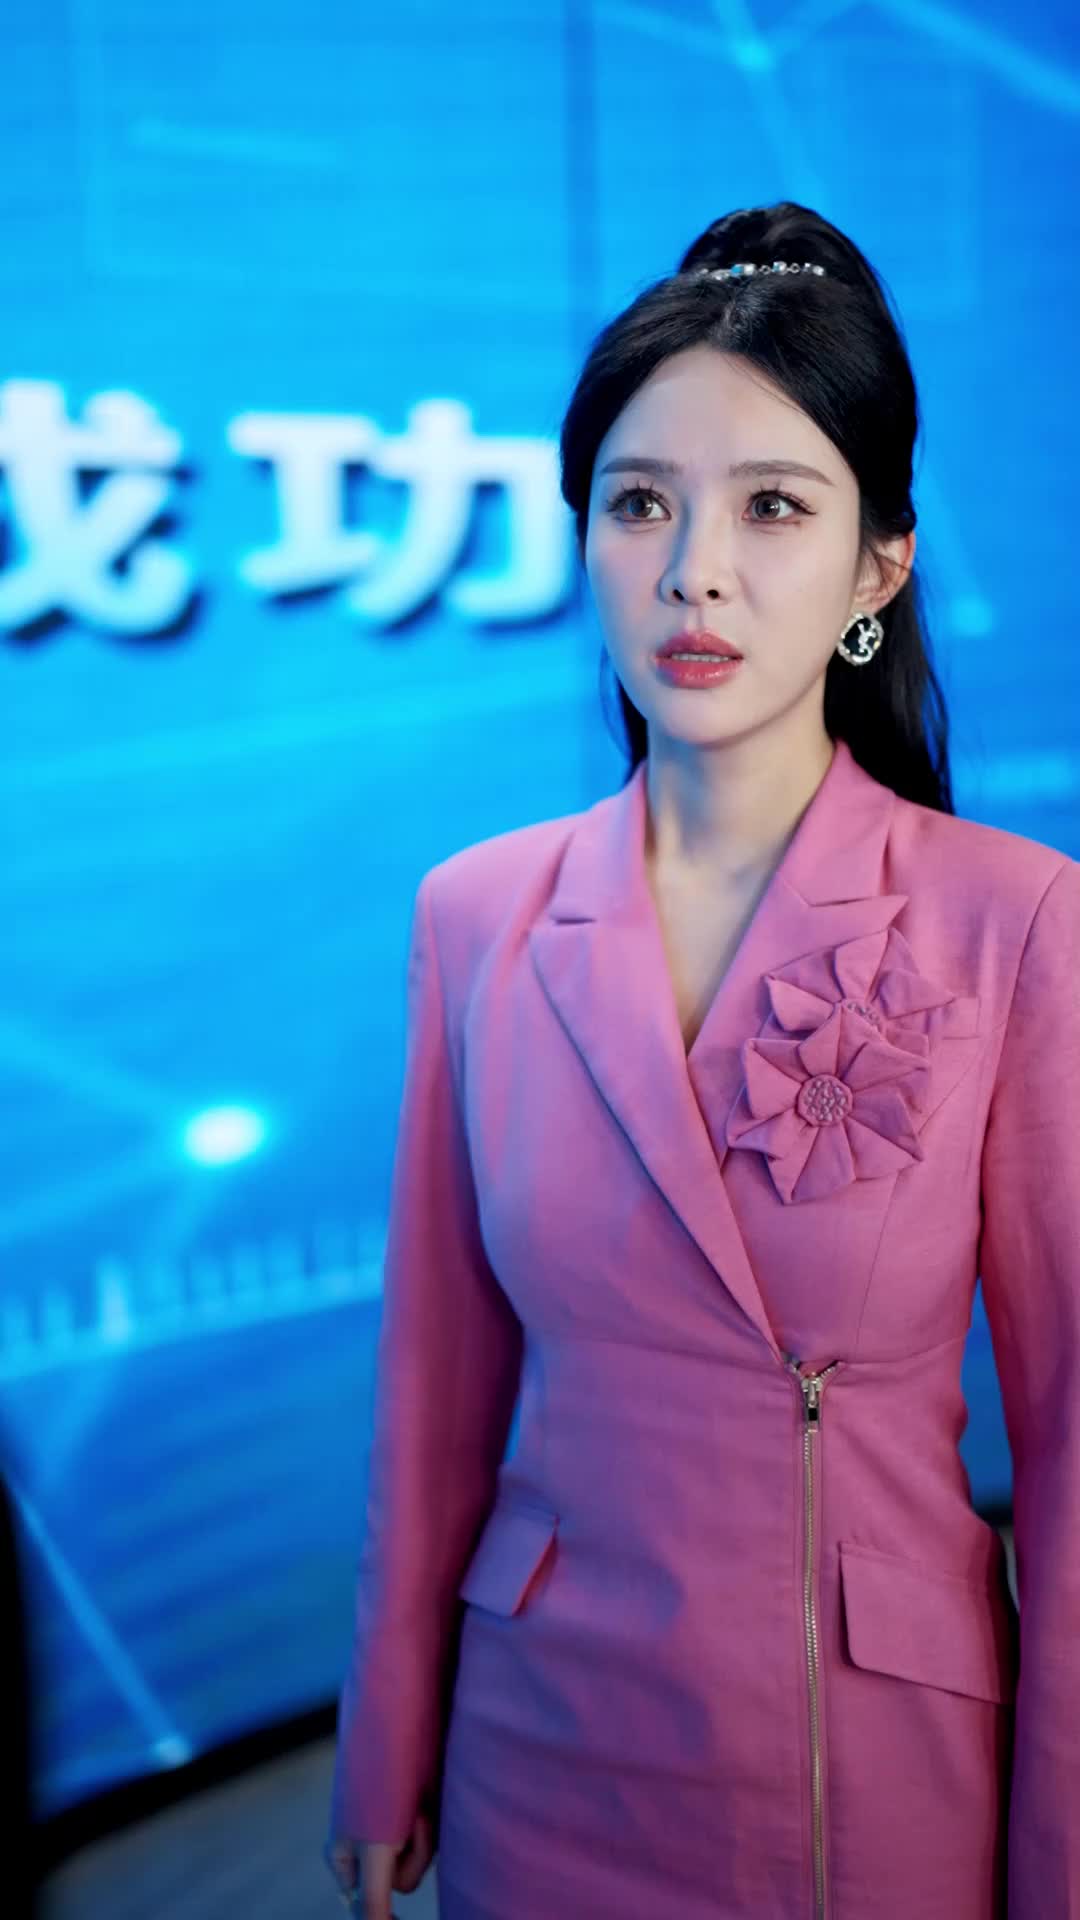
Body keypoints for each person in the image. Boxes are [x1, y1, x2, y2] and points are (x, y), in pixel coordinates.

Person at [323, 202, 1080, 1918]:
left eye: (774, 507)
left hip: (867, 1764)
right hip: (542, 1748)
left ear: (880, 565)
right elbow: (433, 1393)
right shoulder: (478, 915)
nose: (695, 572)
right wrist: (385, 1742)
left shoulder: (1015, 924)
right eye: (641, 503)